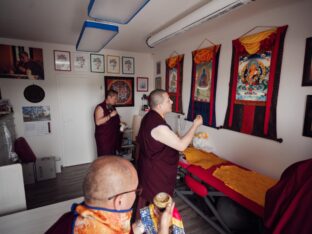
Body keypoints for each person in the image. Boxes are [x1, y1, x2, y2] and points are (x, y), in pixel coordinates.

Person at [46, 156, 175, 234]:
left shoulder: (69, 218)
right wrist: (163, 229)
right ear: (119, 202)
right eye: (136, 190)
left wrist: (144, 223)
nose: (136, 195)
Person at [136, 89, 203, 210]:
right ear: (160, 105)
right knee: (156, 206)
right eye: (168, 100)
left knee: (149, 204)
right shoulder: (158, 125)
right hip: (156, 174)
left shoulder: (149, 117)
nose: (171, 102)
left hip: (149, 169)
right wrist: (195, 125)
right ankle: (156, 228)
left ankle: (149, 227)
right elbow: (182, 145)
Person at [94, 89, 121, 156]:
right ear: (109, 97)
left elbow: (114, 120)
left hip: (112, 137)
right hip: (104, 138)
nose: (116, 101)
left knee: (112, 157)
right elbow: (98, 122)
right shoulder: (100, 107)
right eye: (115, 99)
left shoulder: (112, 107)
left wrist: (120, 123)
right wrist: (110, 115)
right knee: (104, 157)